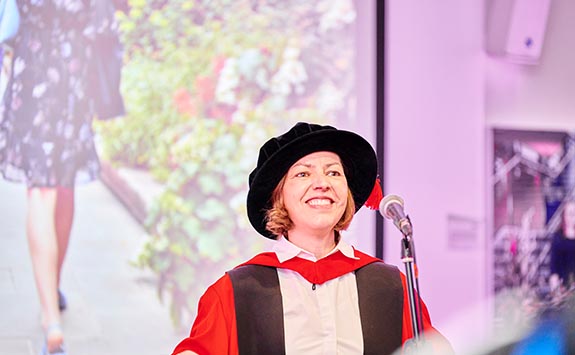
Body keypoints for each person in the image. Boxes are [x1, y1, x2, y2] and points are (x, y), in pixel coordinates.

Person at [171, 122, 451, 355]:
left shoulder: (390, 287)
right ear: (278, 196)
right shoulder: (236, 291)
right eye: (303, 173)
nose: (322, 182)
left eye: (333, 172)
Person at [0, 1, 121, 354]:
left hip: (30, 79)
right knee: (64, 188)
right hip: (72, 82)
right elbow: (104, 26)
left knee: (40, 193)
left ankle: (50, 319)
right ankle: (51, 287)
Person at [549, 200, 575, 291]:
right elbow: (554, 266)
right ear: (564, 216)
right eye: (570, 214)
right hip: (563, 285)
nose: (573, 217)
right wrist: (556, 289)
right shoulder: (558, 238)